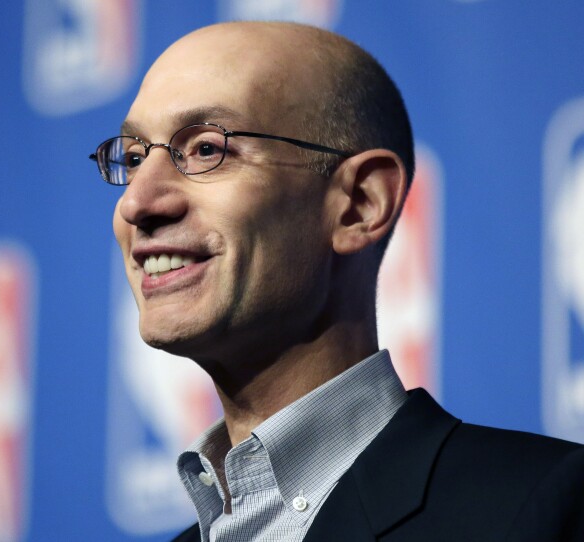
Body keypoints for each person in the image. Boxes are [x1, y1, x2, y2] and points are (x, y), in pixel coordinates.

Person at [90, 21, 584, 542]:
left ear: (360, 204)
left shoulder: (538, 510)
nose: (137, 203)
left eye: (208, 149)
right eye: (135, 157)